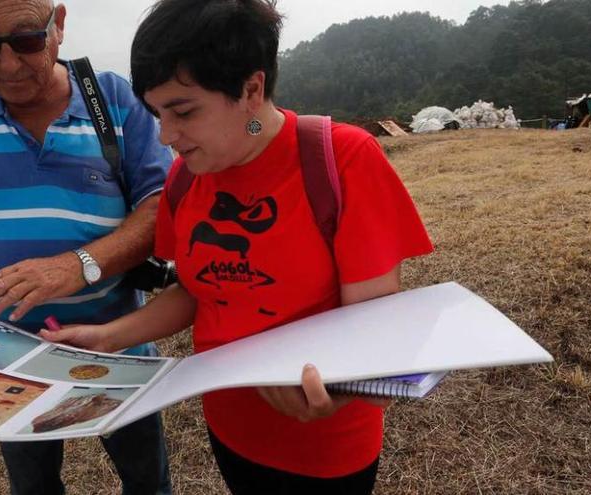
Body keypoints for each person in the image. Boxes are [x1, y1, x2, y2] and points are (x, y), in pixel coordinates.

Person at [39, 1, 434, 494]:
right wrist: (111, 336)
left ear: (251, 89)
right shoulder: (187, 177)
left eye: (183, 112)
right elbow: (200, 291)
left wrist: (340, 388)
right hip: (231, 428)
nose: (167, 135)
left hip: (325, 445)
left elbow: (374, 323)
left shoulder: (344, 159)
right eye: (156, 113)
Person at [0, 1, 173, 494]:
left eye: (25, 40)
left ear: (58, 24)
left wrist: (79, 265)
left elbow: (159, 207)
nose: (9, 63)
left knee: (146, 479)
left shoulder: (114, 99)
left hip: (120, 343)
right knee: (33, 484)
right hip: (8, 355)